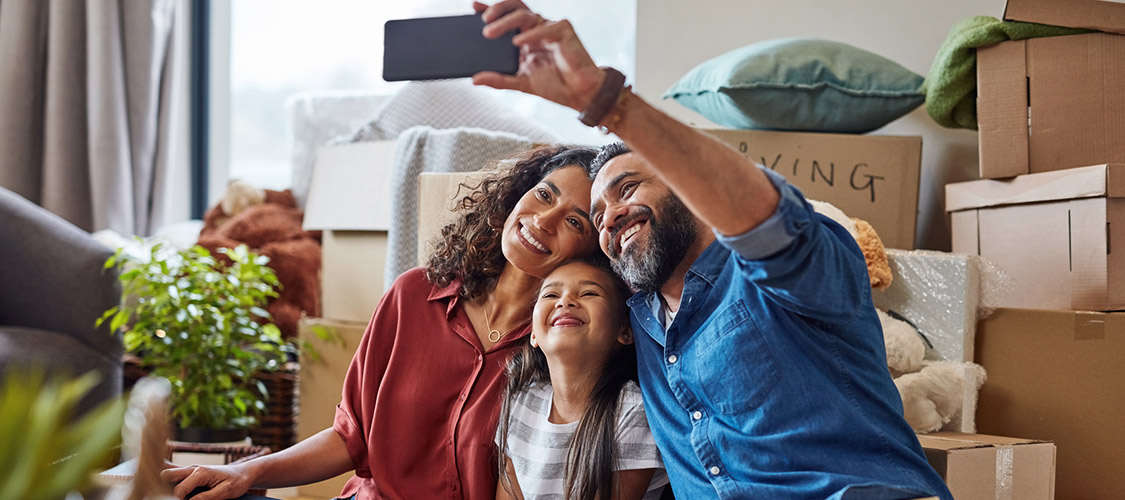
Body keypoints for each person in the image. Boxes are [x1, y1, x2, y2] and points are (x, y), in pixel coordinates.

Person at [473, 2, 954, 499]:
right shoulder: (636, 319)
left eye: (629, 188)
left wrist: (606, 102)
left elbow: (763, 218)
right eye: (596, 217)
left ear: (687, 188)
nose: (610, 215)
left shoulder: (778, 273)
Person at [160, 145, 601, 500]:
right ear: (519, 193)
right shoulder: (413, 296)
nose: (543, 221)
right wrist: (245, 472)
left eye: (574, 222)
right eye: (544, 194)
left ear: (590, 255)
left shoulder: (565, 352)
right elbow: (351, 437)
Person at [495, 257, 668, 500]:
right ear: (533, 334)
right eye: (550, 295)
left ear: (625, 331)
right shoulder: (522, 401)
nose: (565, 301)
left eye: (589, 293)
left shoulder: (632, 410)